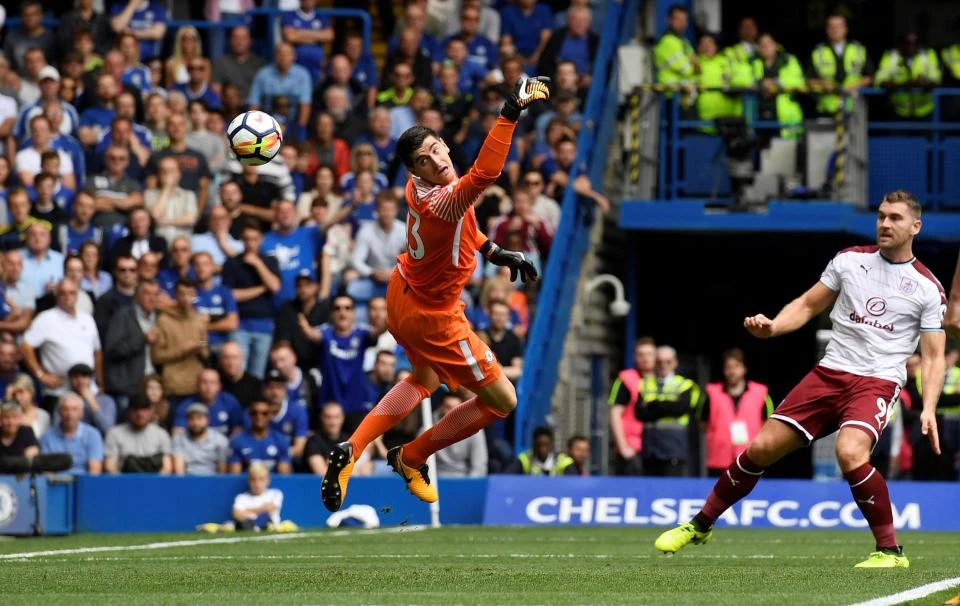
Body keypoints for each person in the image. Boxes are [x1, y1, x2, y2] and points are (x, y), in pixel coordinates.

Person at [654, 190, 948, 569]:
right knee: (761, 449)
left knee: (850, 452)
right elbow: (808, 304)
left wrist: (928, 407)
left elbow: (934, 356)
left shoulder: (927, 288)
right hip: (829, 373)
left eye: (895, 218)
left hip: (876, 381)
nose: (885, 224)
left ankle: (890, 552)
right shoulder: (849, 261)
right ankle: (700, 525)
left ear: (915, 226)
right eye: (881, 216)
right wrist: (774, 327)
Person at [318, 75, 551, 512]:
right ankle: (412, 456)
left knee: (423, 380)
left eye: (435, 150)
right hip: (435, 318)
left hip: (401, 293)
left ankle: (353, 447)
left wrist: (493, 250)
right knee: (504, 401)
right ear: (416, 171)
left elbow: (462, 226)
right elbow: (485, 175)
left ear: (443, 144)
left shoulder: (417, 190)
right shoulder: (442, 200)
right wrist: (510, 113)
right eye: (424, 161)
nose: (435, 161)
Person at [698, 348, 774, 476]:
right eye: (728, 367)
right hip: (719, 460)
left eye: (736, 366)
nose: (732, 371)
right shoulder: (711, 392)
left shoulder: (761, 392)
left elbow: (770, 424)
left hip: (751, 458)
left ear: (744, 368)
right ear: (724, 370)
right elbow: (702, 423)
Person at [635, 345, 704, 477]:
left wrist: (654, 404)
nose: (663, 365)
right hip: (650, 449)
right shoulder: (645, 384)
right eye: (659, 361)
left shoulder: (685, 385)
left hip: (674, 447)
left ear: (675, 362)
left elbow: (681, 408)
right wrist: (668, 407)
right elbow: (640, 413)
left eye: (668, 361)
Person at [807, 14, 873, 117]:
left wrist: (852, 87)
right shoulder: (818, 51)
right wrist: (824, 84)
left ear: (846, 29)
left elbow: (870, 76)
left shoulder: (858, 49)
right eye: (831, 27)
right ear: (827, 30)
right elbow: (809, 79)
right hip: (827, 108)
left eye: (839, 26)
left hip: (854, 108)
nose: (835, 30)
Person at [608, 337, 656, 476]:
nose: (645, 359)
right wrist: (623, 447)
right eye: (641, 354)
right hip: (632, 448)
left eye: (649, 354)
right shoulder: (626, 380)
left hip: (656, 448)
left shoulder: (662, 381)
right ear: (635, 357)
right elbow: (614, 414)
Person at [103, 393, 172, 473]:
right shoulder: (114, 433)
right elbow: (110, 467)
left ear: (151, 411)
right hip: (124, 478)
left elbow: (167, 468)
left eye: (144, 409)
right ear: (129, 411)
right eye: (135, 409)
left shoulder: (161, 434)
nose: (140, 414)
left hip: (154, 478)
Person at [39, 393, 103, 475]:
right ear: (59, 412)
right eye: (65, 409)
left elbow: (94, 470)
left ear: (81, 413)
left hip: (84, 480)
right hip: (55, 481)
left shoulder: (92, 435)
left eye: (74, 409)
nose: (69, 414)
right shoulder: (47, 437)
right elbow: (47, 470)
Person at [432, 392, 488, 477]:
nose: (452, 412)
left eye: (456, 408)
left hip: (464, 478)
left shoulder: (474, 428)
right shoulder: (428, 426)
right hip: (434, 479)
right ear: (441, 408)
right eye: (448, 407)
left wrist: (470, 483)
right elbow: (421, 462)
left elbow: (479, 464)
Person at [172, 402, 230, 475]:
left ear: (207, 419)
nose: (195, 423)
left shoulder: (220, 440)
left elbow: (222, 470)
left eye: (199, 418)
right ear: (187, 421)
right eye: (191, 418)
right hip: (187, 479)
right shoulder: (179, 439)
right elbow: (179, 470)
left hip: (213, 479)